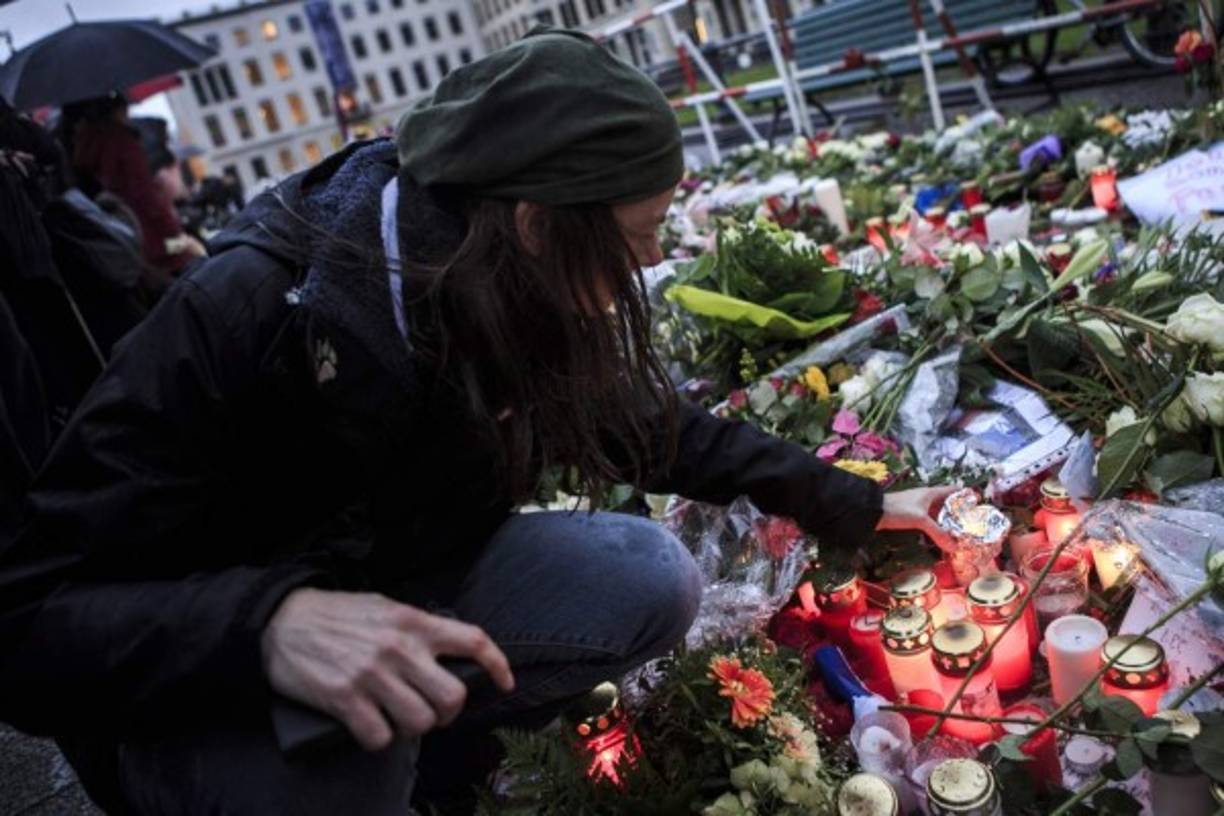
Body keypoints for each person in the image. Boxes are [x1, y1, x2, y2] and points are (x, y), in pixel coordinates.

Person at [0, 30, 952, 815]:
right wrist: (265, 624)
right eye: (637, 236)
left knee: (650, 576)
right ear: (539, 221)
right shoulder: (250, 310)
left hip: (402, 587)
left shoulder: (489, 269)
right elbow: (28, 618)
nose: (658, 257)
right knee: (364, 756)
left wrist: (853, 504)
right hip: (209, 681)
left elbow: (643, 422)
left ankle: (440, 740)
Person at [70, 95, 205, 275]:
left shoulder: (88, 146)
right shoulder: (123, 143)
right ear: (118, 111)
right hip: (154, 232)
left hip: (125, 231)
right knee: (187, 258)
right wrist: (176, 235)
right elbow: (144, 194)